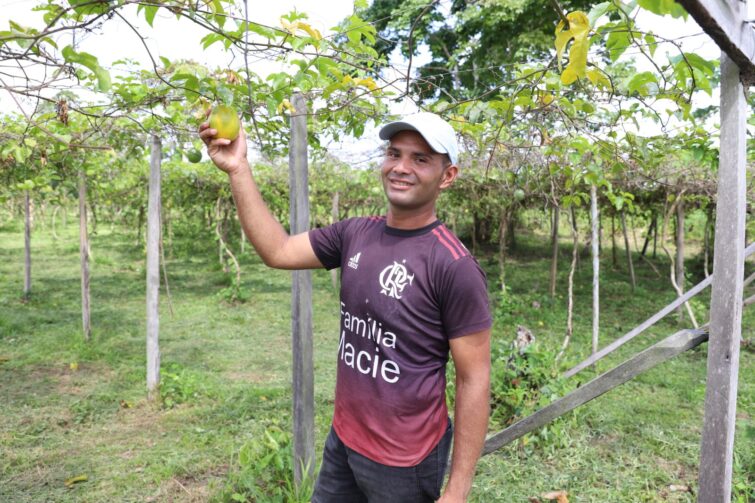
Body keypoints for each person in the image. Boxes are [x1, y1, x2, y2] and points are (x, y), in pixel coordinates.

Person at [199, 111, 492, 503]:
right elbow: (278, 250)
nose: (401, 167)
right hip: (344, 441)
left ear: (448, 175)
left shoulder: (453, 266)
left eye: (420, 159)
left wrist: (457, 490)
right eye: (394, 154)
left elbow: (474, 380)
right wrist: (238, 169)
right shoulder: (355, 233)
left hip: (406, 460)